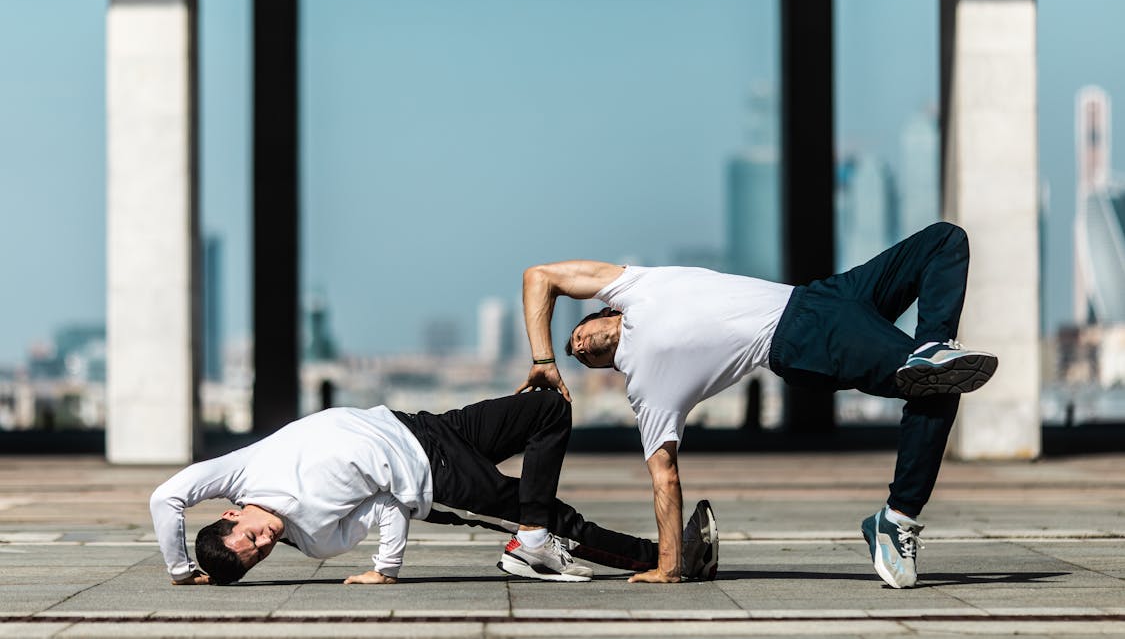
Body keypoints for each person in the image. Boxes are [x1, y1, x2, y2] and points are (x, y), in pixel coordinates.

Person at [516, 221, 998, 588]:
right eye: (577, 355)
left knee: (945, 240)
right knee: (935, 384)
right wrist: (668, 566)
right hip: (799, 339)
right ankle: (897, 518)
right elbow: (665, 474)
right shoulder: (647, 386)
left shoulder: (635, 286)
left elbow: (540, 277)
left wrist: (543, 359)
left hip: (823, 296)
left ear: (604, 310)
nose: (577, 348)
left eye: (577, 335)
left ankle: (932, 349)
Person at [150, 391, 719, 586]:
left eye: (250, 536)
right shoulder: (316, 537)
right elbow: (389, 505)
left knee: (548, 410)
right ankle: (670, 557)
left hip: (427, 426)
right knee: (556, 518)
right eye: (261, 554)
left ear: (228, 516)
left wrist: (181, 570)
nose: (267, 540)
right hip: (435, 480)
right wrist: (386, 567)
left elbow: (166, 497)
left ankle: (533, 535)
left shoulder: (238, 472)